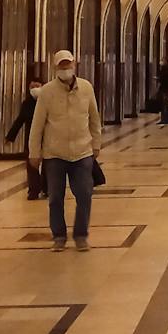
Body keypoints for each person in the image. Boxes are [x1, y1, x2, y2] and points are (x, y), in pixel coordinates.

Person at [30, 48, 102, 252]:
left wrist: (96, 143)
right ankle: (59, 236)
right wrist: (34, 152)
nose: (65, 68)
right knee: (55, 197)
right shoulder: (47, 92)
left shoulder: (86, 88)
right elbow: (37, 124)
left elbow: (94, 118)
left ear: (74, 64)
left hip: (82, 151)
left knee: (85, 194)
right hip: (54, 154)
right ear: (55, 68)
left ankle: (81, 235)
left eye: (68, 64)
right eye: (62, 65)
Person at [4, 69, 47, 199]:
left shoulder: (48, 102)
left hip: (48, 138)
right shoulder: (27, 103)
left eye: (37, 86)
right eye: (32, 87)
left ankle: (47, 187)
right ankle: (33, 190)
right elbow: (20, 120)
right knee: (31, 164)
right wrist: (10, 137)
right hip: (31, 138)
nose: (34, 89)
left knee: (48, 164)